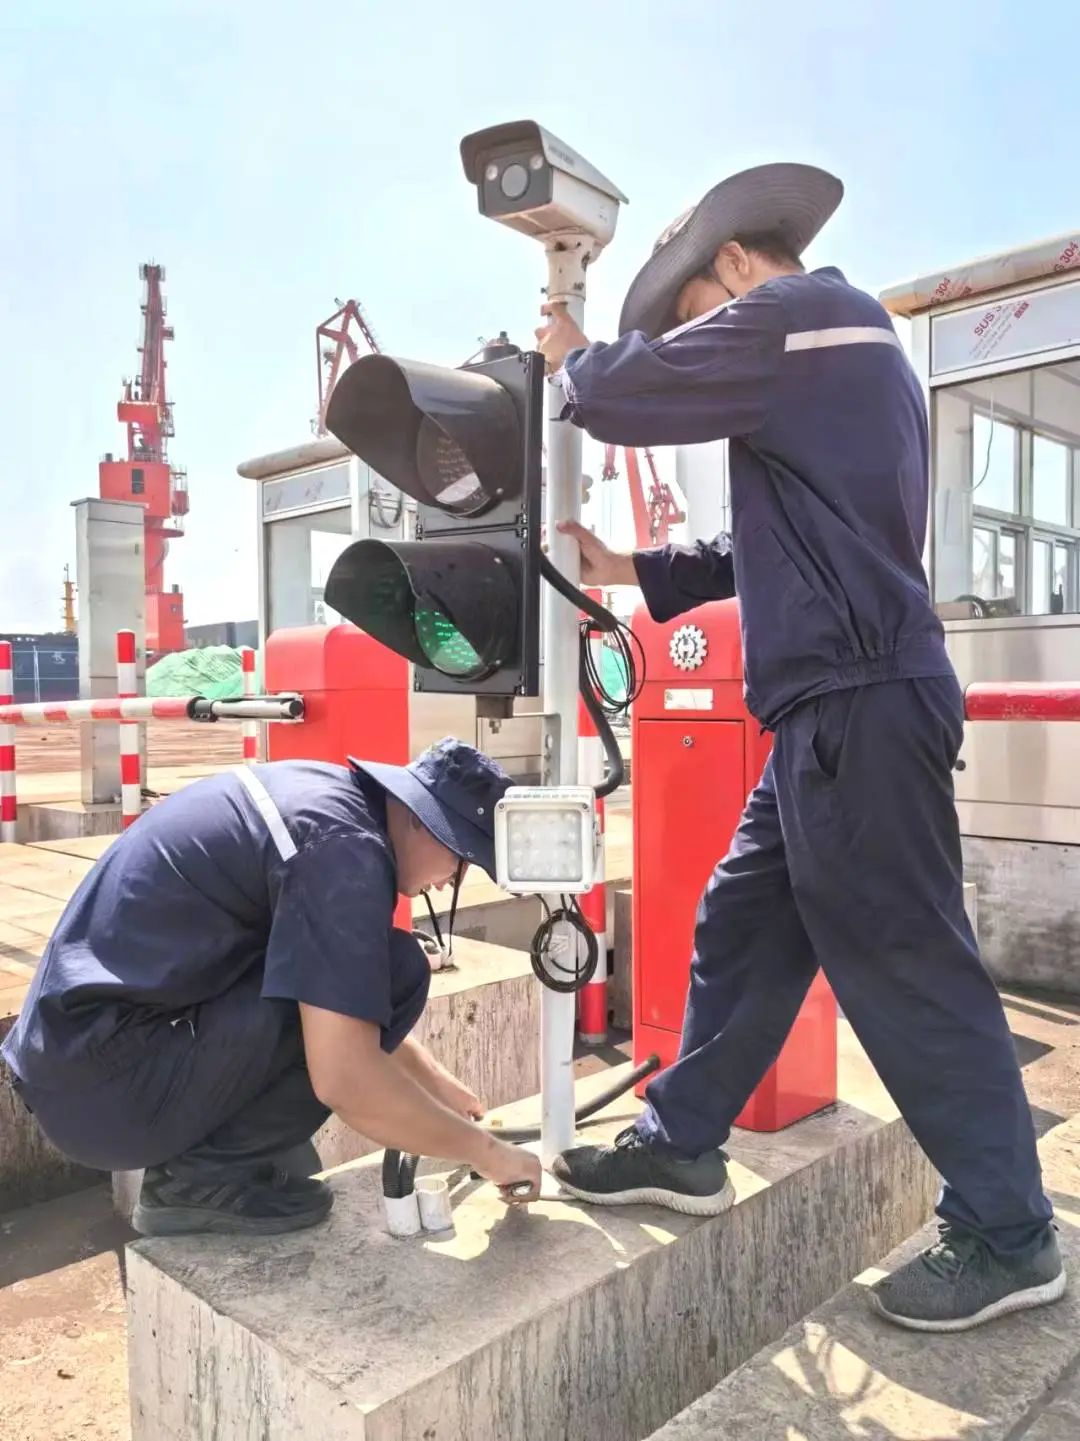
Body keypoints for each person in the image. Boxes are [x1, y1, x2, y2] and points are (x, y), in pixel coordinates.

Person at [535, 162, 1065, 1333]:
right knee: (743, 921)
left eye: (693, 319)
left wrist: (573, 352)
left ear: (732, 265)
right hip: (829, 707)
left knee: (904, 960)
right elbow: (773, 541)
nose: (699, 342)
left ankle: (1010, 1230)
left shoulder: (800, 314)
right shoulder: (839, 354)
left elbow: (627, 393)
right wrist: (630, 569)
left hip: (856, 700)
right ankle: (684, 1141)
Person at [1, 739, 541, 1236]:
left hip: (84, 1063)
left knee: (376, 972)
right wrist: (488, 1154)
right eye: (461, 857)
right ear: (424, 822)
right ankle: (199, 1182)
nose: (451, 879)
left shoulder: (324, 803)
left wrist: (438, 1087)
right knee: (399, 970)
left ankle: (230, 1159)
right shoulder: (344, 851)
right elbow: (345, 1077)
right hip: (109, 1092)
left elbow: (342, 991)